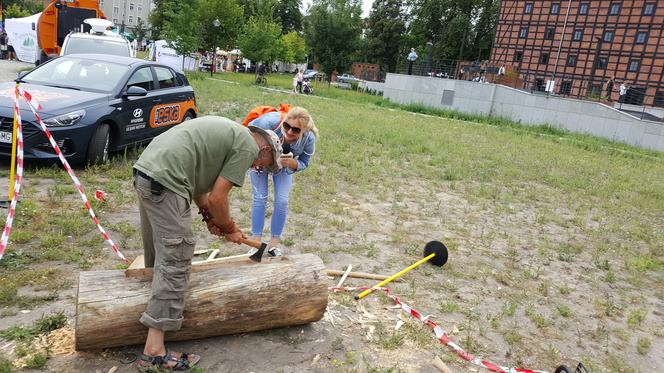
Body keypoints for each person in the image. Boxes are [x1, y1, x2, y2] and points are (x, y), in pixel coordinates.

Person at [133, 116, 282, 371]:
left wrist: (208, 215)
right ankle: (154, 351)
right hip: (167, 180)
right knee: (176, 261)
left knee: (160, 253)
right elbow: (219, 199)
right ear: (265, 148)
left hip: (148, 171)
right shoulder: (248, 146)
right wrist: (229, 228)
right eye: (265, 165)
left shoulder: (232, 134)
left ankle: (141, 309)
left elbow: (199, 183)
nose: (259, 167)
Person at [247, 107, 318, 256]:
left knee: (282, 201)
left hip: (284, 165)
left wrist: (292, 163)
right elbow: (246, 135)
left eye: (296, 130)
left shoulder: (309, 138)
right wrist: (256, 156)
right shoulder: (269, 122)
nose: (290, 131)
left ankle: (273, 246)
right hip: (260, 160)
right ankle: (256, 244)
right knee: (260, 198)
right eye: (287, 126)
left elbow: (305, 162)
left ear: (304, 131)